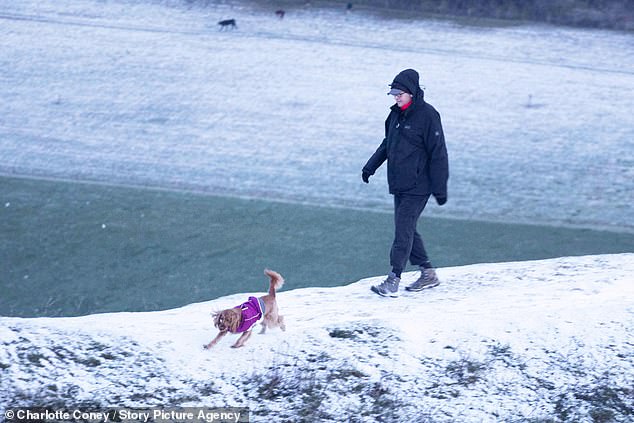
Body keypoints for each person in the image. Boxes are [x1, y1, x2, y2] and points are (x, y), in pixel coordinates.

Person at [362, 68, 449, 297]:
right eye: (394, 94)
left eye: (400, 93)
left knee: (403, 230)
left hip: (420, 185)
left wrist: (440, 188)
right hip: (399, 183)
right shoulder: (395, 116)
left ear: (411, 92)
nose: (396, 97)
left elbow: (438, 152)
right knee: (407, 228)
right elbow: (386, 145)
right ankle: (428, 273)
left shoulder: (428, 116)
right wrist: (370, 166)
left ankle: (393, 279)